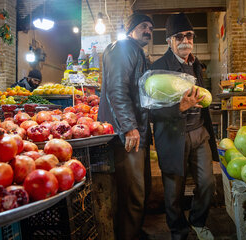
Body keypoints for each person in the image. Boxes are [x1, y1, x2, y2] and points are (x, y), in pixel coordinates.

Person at [150, 13, 219, 240]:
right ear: (169, 40)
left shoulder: (197, 65)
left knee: (207, 183)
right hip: (172, 136)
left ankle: (198, 222)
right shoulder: (158, 68)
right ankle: (178, 231)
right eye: (179, 36)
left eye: (189, 36)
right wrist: (179, 108)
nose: (185, 41)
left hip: (199, 133)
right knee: (173, 191)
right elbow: (150, 111)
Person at [97, 13, 154, 240]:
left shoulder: (135, 51)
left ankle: (135, 232)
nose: (148, 30)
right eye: (143, 26)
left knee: (141, 190)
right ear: (131, 29)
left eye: (150, 27)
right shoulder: (122, 48)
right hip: (126, 134)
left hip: (136, 131)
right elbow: (117, 89)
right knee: (134, 193)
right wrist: (129, 127)